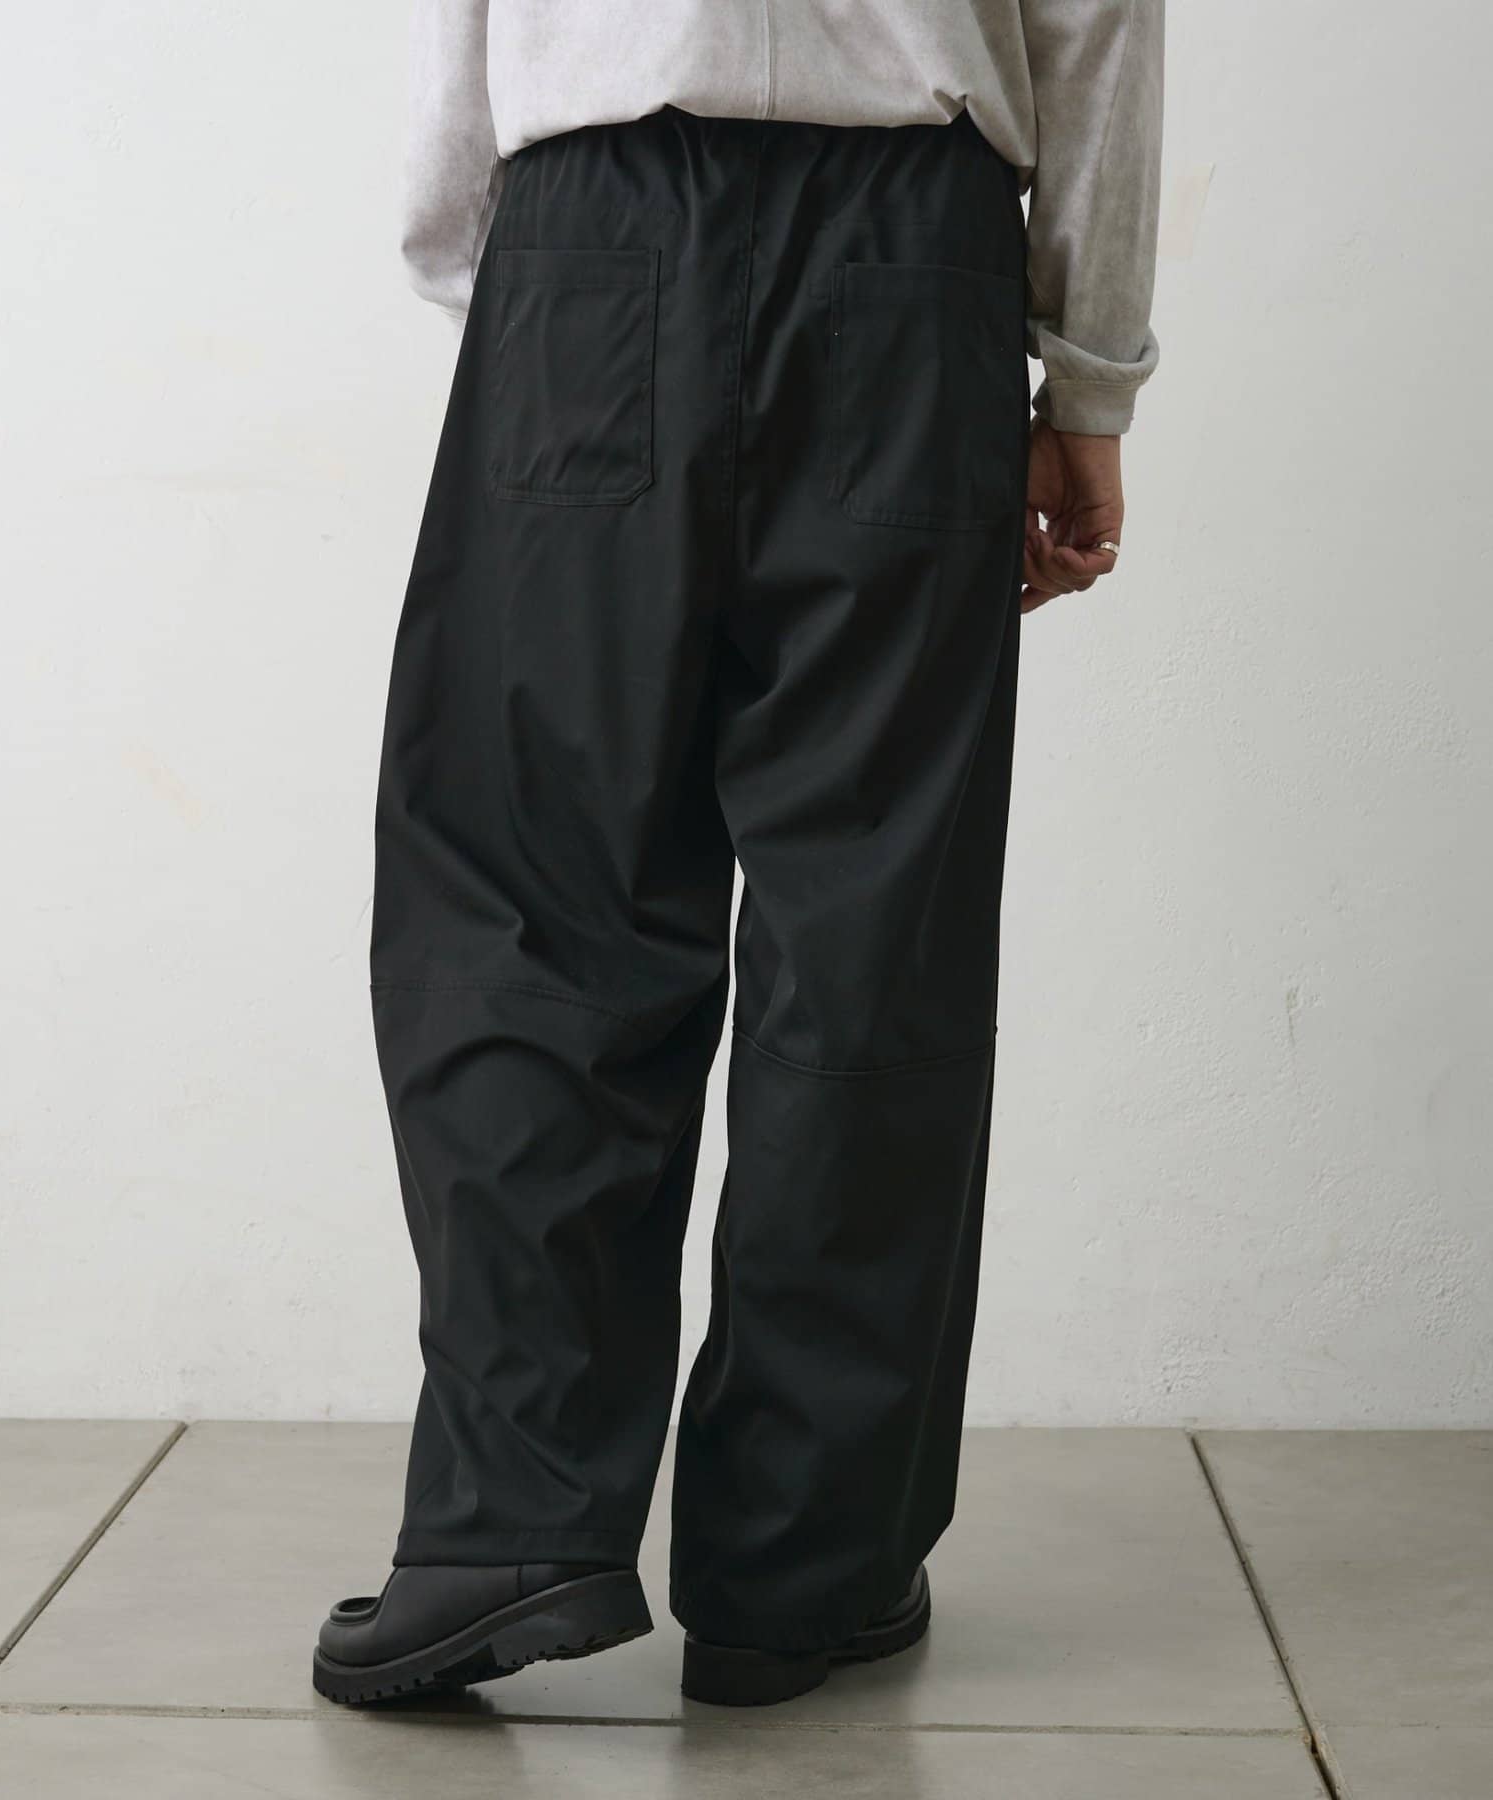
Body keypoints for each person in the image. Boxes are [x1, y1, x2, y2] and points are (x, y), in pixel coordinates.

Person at [313, 0, 1162, 1710]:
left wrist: (509, 270)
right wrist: (1089, 374)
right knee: (871, 923)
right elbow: (1094, 21)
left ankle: (508, 1524)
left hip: (593, 232)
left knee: (531, 898)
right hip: (914, 258)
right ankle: (804, 1561)